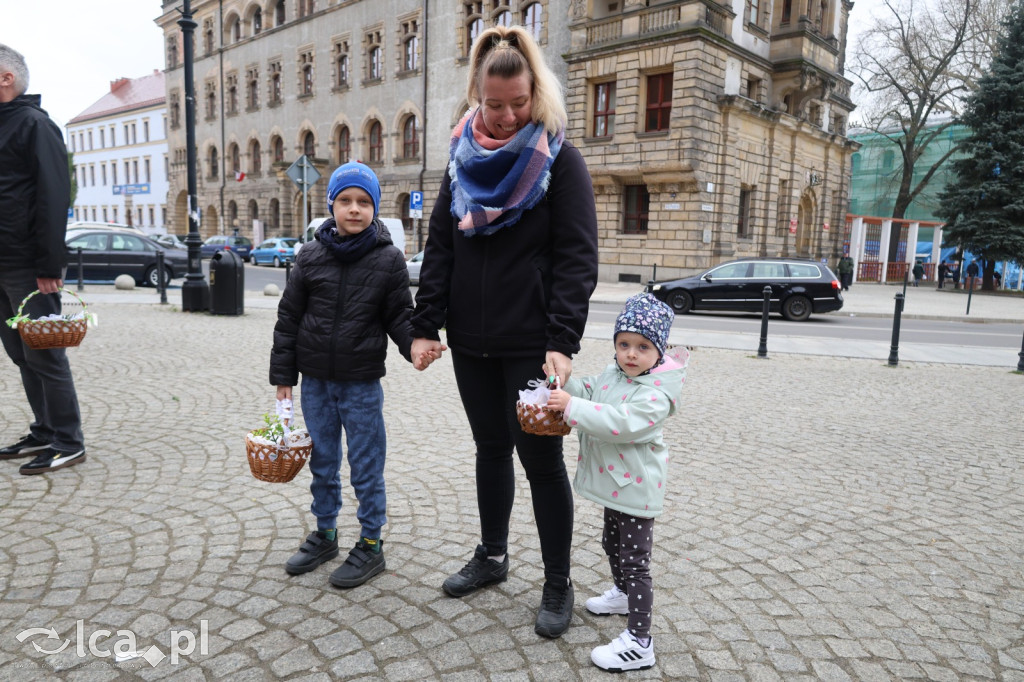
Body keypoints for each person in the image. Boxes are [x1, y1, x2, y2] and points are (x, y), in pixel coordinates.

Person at [409, 25, 599, 638]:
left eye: (520, 102)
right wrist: (423, 324)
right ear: (476, 96)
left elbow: (576, 258)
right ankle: (492, 556)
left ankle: (557, 582)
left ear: (535, 92)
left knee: (541, 461)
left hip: (530, 341)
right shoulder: (460, 160)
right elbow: (440, 247)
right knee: (489, 449)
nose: (509, 114)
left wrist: (562, 340)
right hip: (471, 339)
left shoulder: (560, 160)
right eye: (496, 104)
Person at [270, 161, 440, 588]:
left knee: (366, 464)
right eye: (345, 200)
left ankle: (370, 544)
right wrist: (283, 376)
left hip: (361, 383)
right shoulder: (309, 256)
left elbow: (400, 316)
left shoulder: (388, 260)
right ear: (331, 205)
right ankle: (325, 533)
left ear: (375, 209)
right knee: (323, 462)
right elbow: (288, 319)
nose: (354, 209)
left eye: (364, 202)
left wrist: (415, 345)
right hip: (316, 384)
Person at [547, 293, 687, 672]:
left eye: (643, 347)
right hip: (617, 485)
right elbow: (592, 390)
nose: (630, 354)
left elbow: (620, 423)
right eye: (624, 344)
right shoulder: (617, 373)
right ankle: (623, 594)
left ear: (659, 352)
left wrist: (571, 408)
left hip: (637, 490)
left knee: (636, 561)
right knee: (610, 542)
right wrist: (566, 388)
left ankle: (640, 641)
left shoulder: (656, 395)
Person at [0, 44, 86, 475]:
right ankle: (45, 428)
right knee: (19, 352)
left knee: (46, 354)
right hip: (1, 263)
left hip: (27, 265)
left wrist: (50, 267)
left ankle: (68, 440)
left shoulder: (35, 124)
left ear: (6, 78)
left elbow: (54, 197)